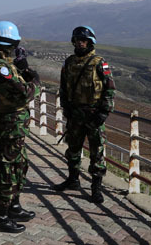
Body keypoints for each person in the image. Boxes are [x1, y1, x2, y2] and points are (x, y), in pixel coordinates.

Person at [0, 21, 41, 233]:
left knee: (20, 166)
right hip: (7, 124)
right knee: (8, 170)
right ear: (7, 44)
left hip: (12, 125)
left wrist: (22, 69)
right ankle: (0, 218)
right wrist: (35, 80)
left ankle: (13, 206)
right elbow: (23, 93)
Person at [54, 26, 116, 204]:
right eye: (77, 40)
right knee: (73, 149)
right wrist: (65, 107)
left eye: (84, 40)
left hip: (94, 114)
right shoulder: (69, 62)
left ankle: (96, 188)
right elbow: (63, 87)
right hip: (75, 114)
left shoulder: (99, 62)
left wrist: (104, 112)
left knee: (97, 152)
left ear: (90, 42)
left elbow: (109, 89)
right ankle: (73, 180)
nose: (80, 43)